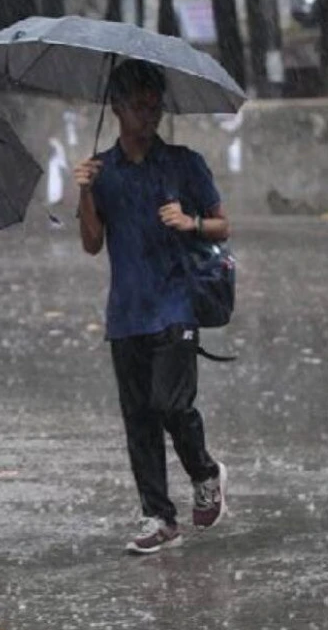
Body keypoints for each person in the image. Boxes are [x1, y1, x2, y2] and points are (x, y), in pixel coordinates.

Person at [72, 60, 229, 555]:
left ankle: (204, 471)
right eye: (139, 106)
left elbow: (222, 226)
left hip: (177, 303)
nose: (149, 115)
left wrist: (191, 223)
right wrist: (85, 190)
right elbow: (91, 243)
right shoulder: (102, 173)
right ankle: (158, 516)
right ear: (116, 108)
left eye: (155, 106)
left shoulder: (184, 163)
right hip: (127, 312)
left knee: (171, 403)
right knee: (138, 418)